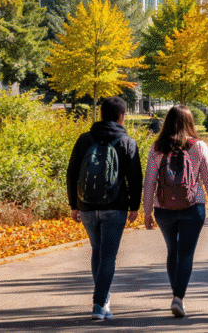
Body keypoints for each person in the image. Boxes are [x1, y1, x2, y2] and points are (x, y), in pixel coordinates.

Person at [66, 96, 143, 321]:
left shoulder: (84, 139)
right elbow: (135, 178)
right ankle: (99, 305)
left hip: (87, 206)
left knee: (97, 251)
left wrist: (73, 205)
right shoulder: (127, 141)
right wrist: (134, 206)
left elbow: (72, 173)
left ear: (101, 115)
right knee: (108, 256)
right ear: (121, 116)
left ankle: (104, 299)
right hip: (115, 206)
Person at [142, 105, 208, 318]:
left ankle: (176, 293)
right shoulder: (199, 146)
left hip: (164, 208)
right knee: (186, 253)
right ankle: (178, 298)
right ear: (190, 123)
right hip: (193, 206)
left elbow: (149, 182)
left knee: (172, 251)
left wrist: (147, 211)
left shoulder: (157, 147)